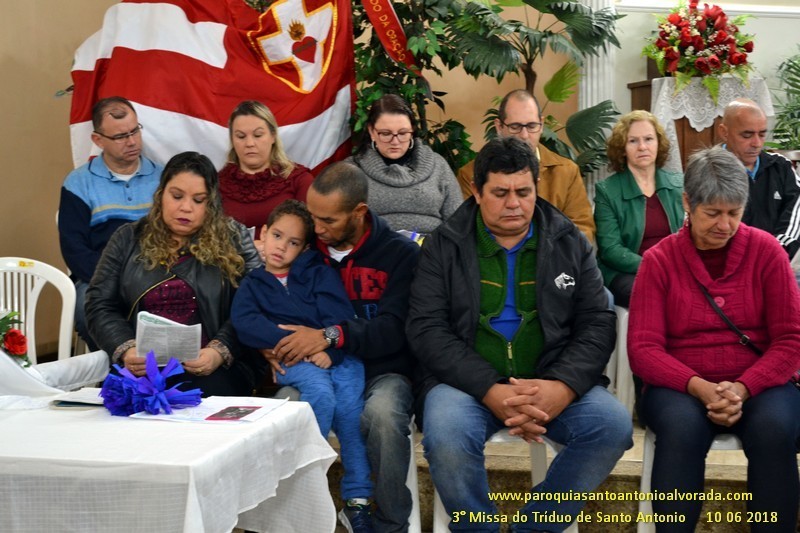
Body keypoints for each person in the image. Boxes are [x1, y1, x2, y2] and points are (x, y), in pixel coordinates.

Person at [408, 137, 632, 531]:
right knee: (446, 436)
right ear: (477, 191)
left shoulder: (569, 241)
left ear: (536, 188)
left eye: (523, 192)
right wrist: (490, 389)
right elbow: (426, 328)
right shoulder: (444, 245)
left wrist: (562, 387)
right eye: (500, 193)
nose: (514, 203)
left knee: (611, 426)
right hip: (467, 388)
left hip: (551, 379)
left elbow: (598, 321)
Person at [628, 146, 800, 532]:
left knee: (774, 429)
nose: (725, 225)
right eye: (713, 213)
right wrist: (701, 388)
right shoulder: (659, 261)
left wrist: (743, 388)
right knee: (681, 430)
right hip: (680, 387)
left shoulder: (768, 253)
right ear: (688, 203)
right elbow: (643, 349)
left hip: (761, 383)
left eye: (734, 213)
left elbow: (790, 340)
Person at [268, 162, 420, 532]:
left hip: (383, 371)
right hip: (317, 371)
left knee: (384, 415)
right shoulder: (304, 252)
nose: (317, 228)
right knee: (285, 409)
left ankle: (389, 524)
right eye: (313, 217)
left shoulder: (401, 255)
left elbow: (396, 329)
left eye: (328, 220)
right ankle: (288, 520)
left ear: (359, 212)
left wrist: (330, 335)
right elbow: (268, 301)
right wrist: (268, 345)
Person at [231, 199, 374, 533]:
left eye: (293, 242)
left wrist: (330, 351)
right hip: (292, 359)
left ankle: (358, 497)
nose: (282, 247)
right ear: (262, 233)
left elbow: (340, 315)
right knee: (320, 396)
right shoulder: (252, 284)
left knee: (351, 415)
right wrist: (292, 343)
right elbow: (245, 323)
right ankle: (308, 482)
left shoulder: (318, 273)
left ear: (305, 248)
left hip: (337, 357)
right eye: (277, 236)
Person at [85, 151, 264, 397]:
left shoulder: (234, 238)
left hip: (212, 367)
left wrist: (219, 351)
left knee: (199, 400)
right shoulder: (128, 238)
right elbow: (99, 303)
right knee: (127, 403)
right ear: (161, 194)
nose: (185, 208)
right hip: (143, 365)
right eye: (177, 196)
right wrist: (126, 349)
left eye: (198, 200)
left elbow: (255, 302)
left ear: (211, 204)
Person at [59, 96, 162, 350]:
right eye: (120, 136)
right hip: (99, 277)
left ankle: (160, 370)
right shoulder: (78, 183)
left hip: (157, 273)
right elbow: (74, 249)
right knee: (87, 310)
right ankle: (117, 369)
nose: (132, 141)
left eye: (135, 131)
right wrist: (117, 280)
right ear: (98, 140)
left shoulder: (163, 178)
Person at [457, 89, 596, 245]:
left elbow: (583, 230)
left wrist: (544, 253)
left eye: (531, 126)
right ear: (499, 126)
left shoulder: (566, 171)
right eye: (515, 126)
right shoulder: (470, 173)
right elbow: (468, 232)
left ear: (541, 125)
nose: (524, 135)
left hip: (555, 258)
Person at [594, 110, 684, 308]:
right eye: (633, 141)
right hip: (627, 272)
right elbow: (610, 249)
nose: (642, 146)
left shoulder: (679, 184)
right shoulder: (607, 191)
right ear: (622, 148)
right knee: (653, 293)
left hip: (675, 267)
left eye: (648, 139)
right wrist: (653, 265)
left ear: (658, 143)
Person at [347, 94, 462, 234]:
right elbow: (343, 227)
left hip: (433, 246)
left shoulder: (438, 165)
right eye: (386, 133)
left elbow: (458, 224)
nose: (395, 141)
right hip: (374, 245)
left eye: (403, 133)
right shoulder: (351, 171)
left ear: (412, 131)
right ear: (372, 131)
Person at [219, 100, 314, 244]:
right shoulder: (216, 184)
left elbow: (309, 238)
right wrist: (247, 250)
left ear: (273, 136)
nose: (250, 143)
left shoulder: (300, 180)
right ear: (232, 139)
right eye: (241, 136)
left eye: (258, 135)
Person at [718, 98, 800, 257]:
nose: (756, 143)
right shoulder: (708, 170)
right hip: (728, 262)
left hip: (778, 258)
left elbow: (795, 213)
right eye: (747, 135)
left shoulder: (780, 167)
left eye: (762, 135)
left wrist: (772, 254)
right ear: (724, 132)